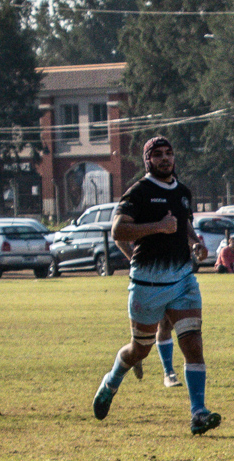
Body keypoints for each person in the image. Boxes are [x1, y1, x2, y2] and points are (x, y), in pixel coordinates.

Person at [91, 137, 222, 435]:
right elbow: (118, 230)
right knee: (139, 350)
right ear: (147, 160)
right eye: (158, 155)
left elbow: (183, 224)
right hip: (147, 283)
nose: (165, 159)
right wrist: (156, 227)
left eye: (169, 153)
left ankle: (198, 413)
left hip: (183, 280)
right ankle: (111, 381)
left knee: (193, 344)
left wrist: (195, 242)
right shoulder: (139, 191)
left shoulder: (183, 191)